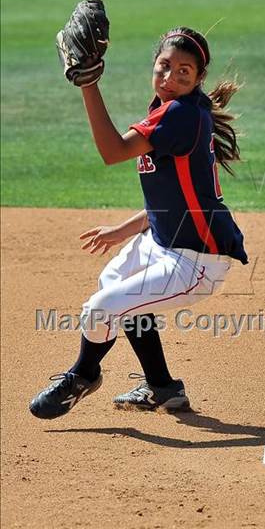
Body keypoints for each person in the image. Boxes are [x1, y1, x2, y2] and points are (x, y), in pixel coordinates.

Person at [30, 26, 248, 419]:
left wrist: (88, 85)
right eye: (165, 66)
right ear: (154, 66)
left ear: (199, 79)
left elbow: (113, 151)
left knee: (100, 310)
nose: (171, 77)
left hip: (196, 261)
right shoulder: (172, 109)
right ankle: (164, 388)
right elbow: (177, 197)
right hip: (163, 241)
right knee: (113, 289)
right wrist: (125, 229)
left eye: (184, 71)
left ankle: (82, 375)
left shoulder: (181, 115)